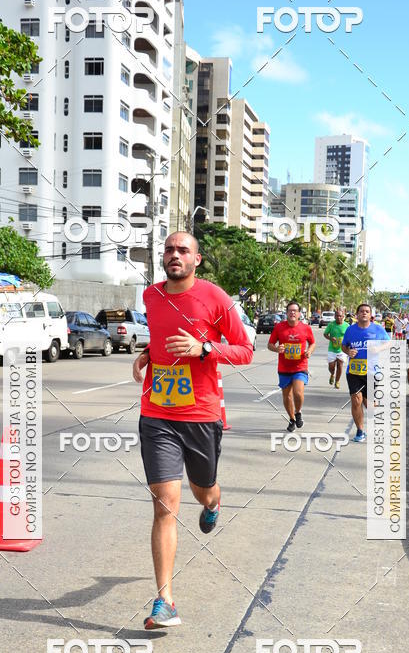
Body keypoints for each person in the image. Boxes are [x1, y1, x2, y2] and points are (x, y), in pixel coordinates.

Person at [133, 232, 252, 630]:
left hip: (201, 415)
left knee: (203, 488)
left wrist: (205, 349)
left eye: (183, 250)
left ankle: (214, 502)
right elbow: (161, 340)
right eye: (168, 250)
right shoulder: (151, 296)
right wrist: (147, 355)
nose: (174, 255)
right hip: (157, 413)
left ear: (197, 260)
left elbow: (245, 351)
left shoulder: (215, 298)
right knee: (165, 503)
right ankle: (164, 600)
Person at [341, 302, 390, 443]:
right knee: (357, 400)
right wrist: (348, 351)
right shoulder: (350, 330)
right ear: (357, 314)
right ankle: (360, 430)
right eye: (361, 311)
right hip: (354, 371)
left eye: (367, 311)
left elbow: (388, 343)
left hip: (372, 372)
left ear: (370, 315)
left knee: (370, 404)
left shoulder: (378, 329)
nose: (364, 313)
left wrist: (378, 349)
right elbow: (344, 345)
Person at [268, 300, 315, 431]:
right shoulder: (279, 327)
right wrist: (277, 349)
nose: (292, 312)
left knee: (298, 393)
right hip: (284, 367)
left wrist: (309, 351)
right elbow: (270, 344)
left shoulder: (305, 328)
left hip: (300, 366)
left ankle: (298, 412)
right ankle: (292, 418)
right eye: (290, 310)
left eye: (295, 310)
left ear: (299, 313)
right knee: (287, 396)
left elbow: (312, 343)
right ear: (286, 313)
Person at [323, 306, 348, 389]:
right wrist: (330, 338)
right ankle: (332, 374)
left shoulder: (347, 325)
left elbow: (350, 336)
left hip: (342, 349)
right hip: (332, 349)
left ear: (343, 316)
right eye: (337, 316)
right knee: (331, 367)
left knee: (340, 365)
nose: (338, 317)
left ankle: (337, 381)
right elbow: (325, 334)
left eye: (340, 316)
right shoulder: (331, 325)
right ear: (334, 316)